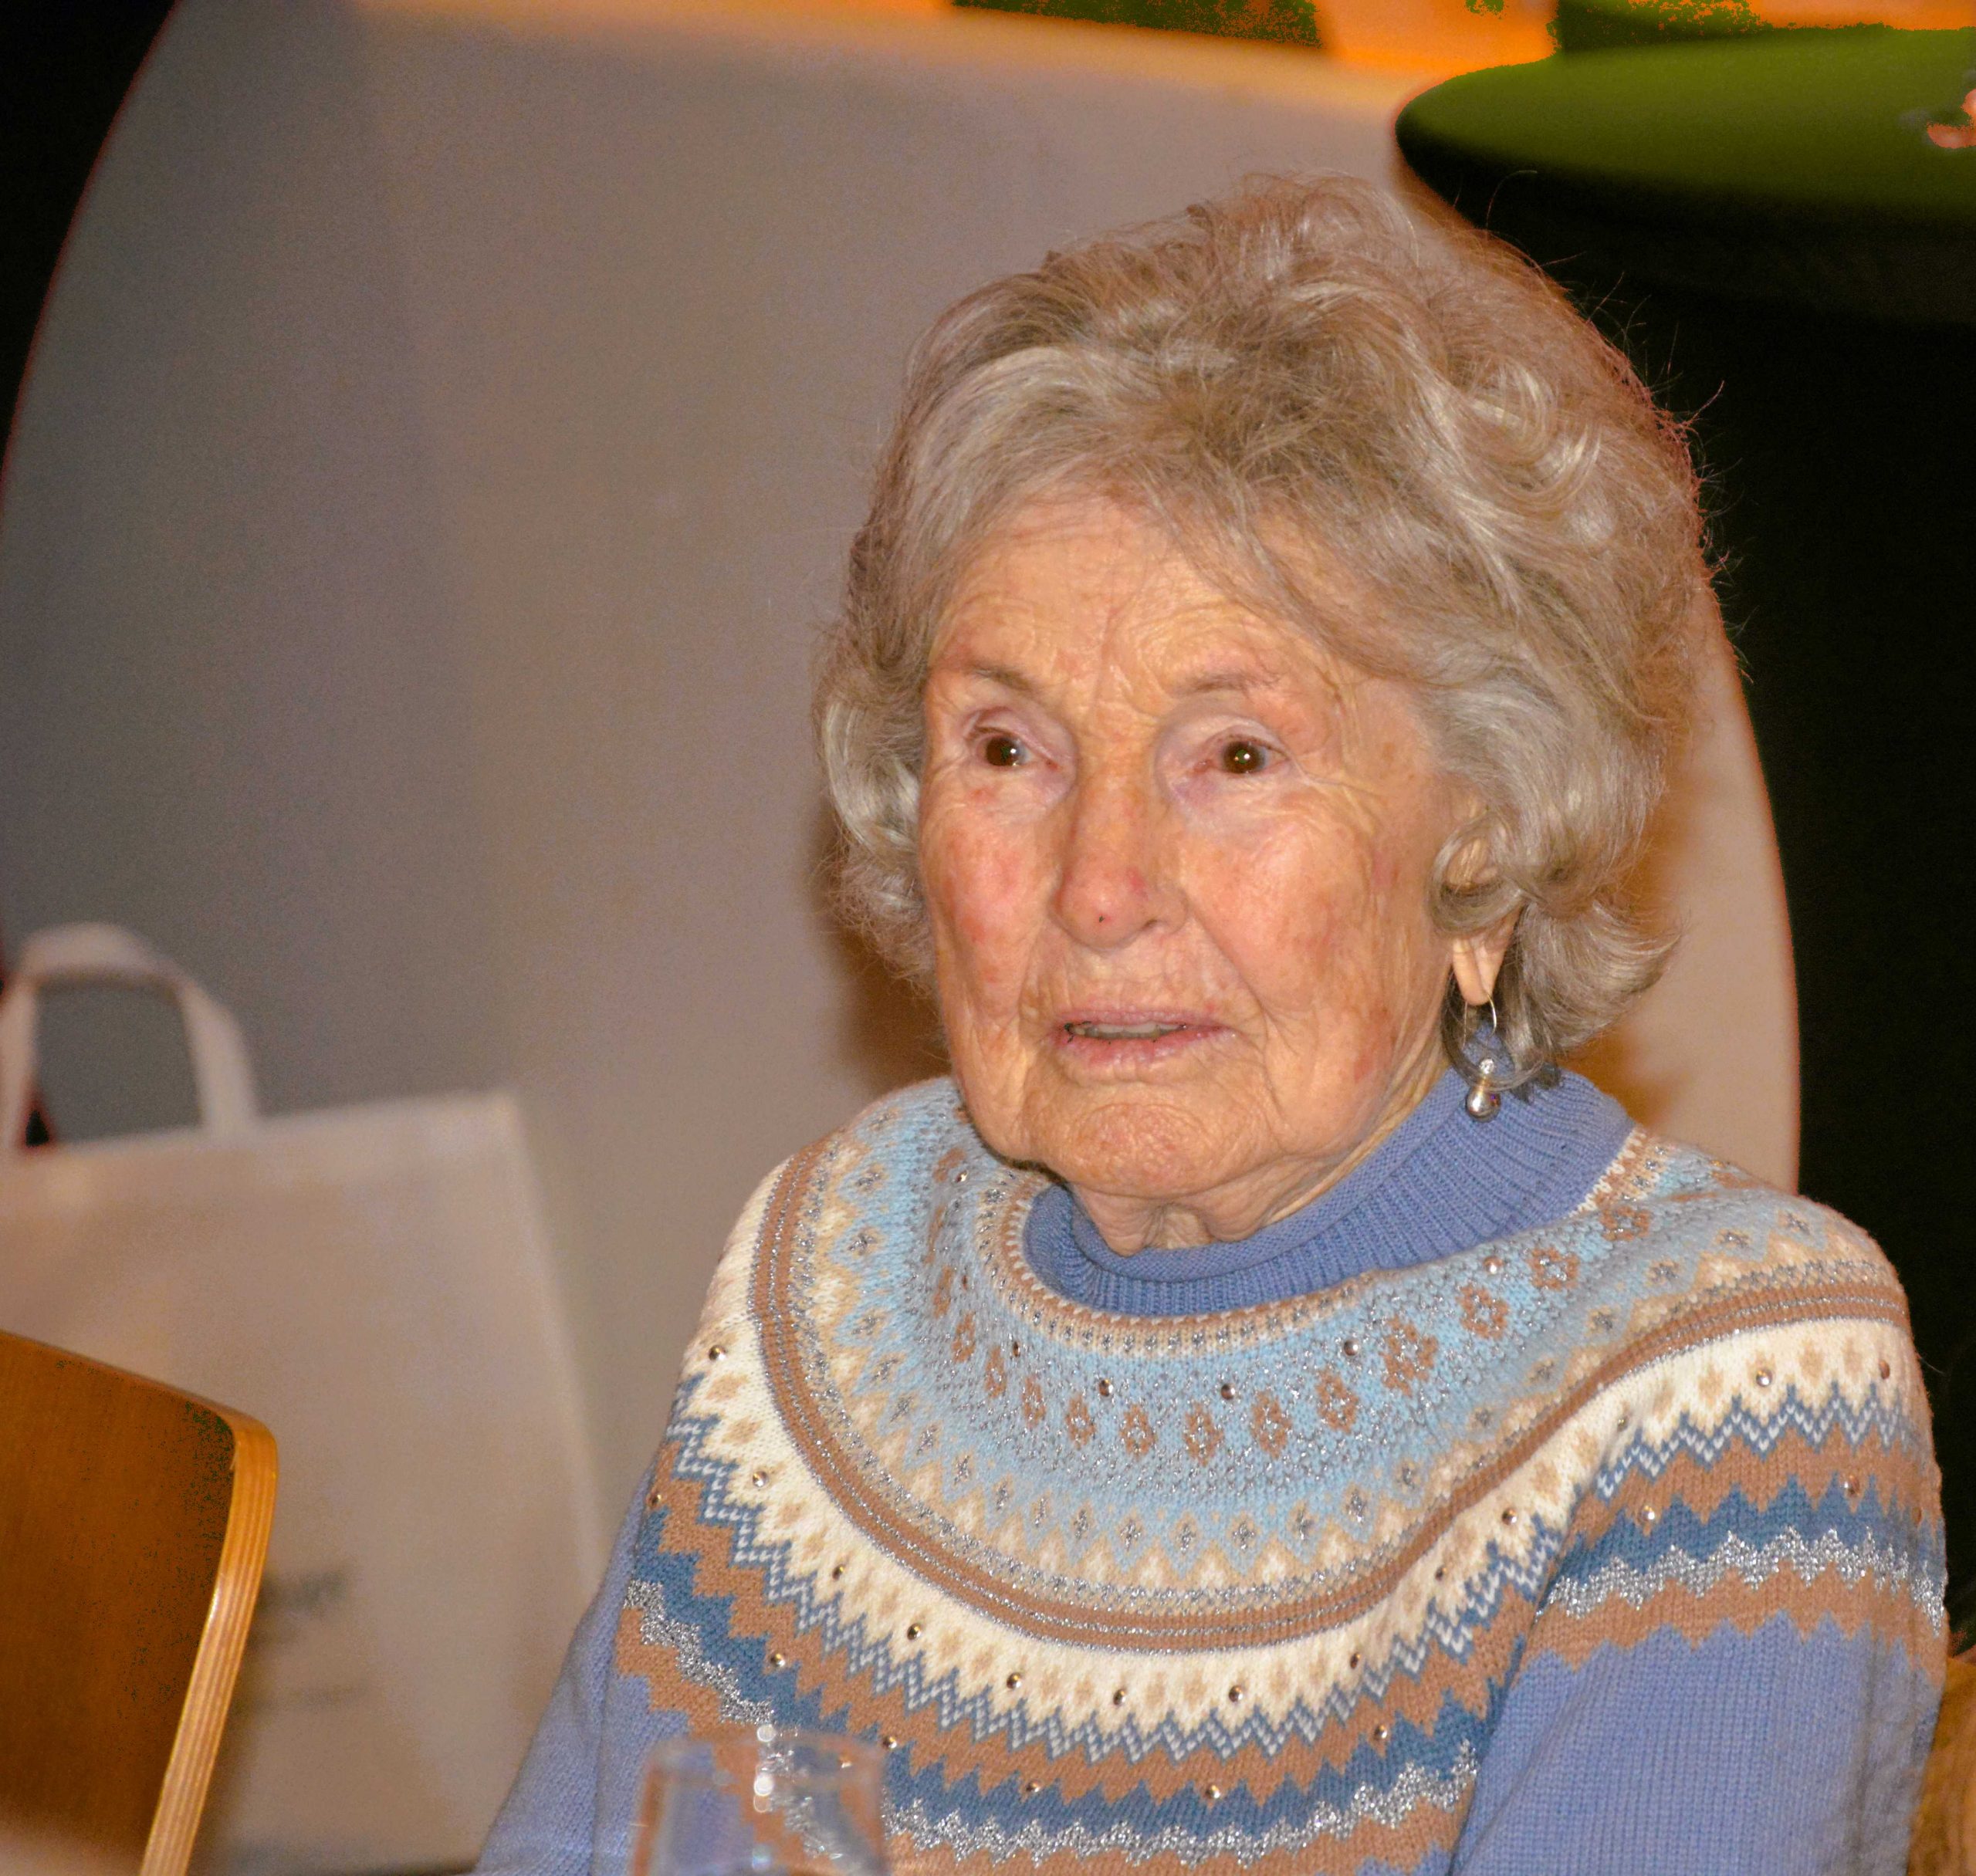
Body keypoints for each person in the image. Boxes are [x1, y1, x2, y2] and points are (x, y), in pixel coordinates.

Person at [475, 174, 1944, 1876]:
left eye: (1236, 757)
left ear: (1484, 830)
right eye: (1008, 750)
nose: (1101, 887)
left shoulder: (1719, 1406)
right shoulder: (834, 1276)